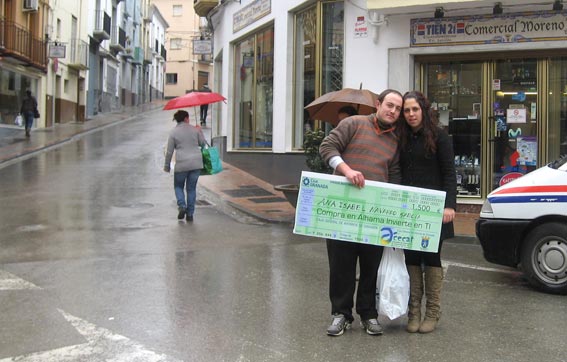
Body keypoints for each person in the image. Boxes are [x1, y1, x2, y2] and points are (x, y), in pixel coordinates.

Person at [319, 89, 403, 336]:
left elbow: (395, 175)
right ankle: (341, 314)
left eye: (397, 109)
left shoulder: (395, 141)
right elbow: (327, 147)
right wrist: (346, 170)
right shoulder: (353, 123)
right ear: (378, 104)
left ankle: (368, 314)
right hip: (342, 210)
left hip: (374, 214)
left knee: (371, 266)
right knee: (341, 265)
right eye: (390, 105)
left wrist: (393, 204)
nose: (393, 111)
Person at [398, 91, 457, 334]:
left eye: (415, 109)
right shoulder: (400, 137)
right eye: (406, 110)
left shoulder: (440, 136)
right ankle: (414, 312)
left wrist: (449, 205)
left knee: (431, 258)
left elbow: (449, 172)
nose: (411, 114)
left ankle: (432, 311)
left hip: (434, 210)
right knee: (411, 258)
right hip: (408, 209)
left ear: (423, 110)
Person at [164, 110, 206, 222]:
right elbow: (203, 143)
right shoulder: (195, 129)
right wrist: (199, 131)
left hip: (182, 164)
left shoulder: (173, 132)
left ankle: (182, 206)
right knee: (191, 189)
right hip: (196, 164)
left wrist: (167, 166)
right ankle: (190, 214)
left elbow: (169, 151)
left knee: (178, 186)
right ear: (186, 118)